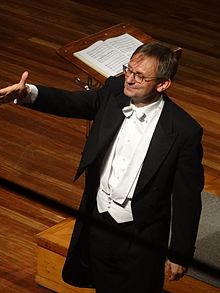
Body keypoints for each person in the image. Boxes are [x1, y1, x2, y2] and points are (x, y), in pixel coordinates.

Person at [0, 42, 204, 293]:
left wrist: (179, 254)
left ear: (162, 84)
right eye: (128, 70)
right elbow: (71, 102)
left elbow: (187, 199)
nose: (129, 79)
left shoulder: (183, 131)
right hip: (99, 221)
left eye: (139, 76)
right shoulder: (113, 92)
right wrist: (27, 93)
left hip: (141, 237)